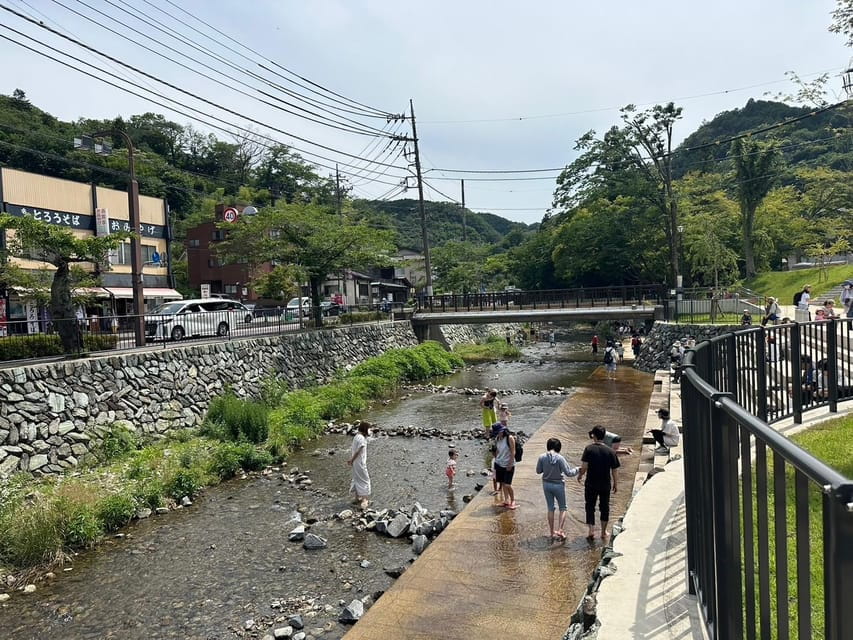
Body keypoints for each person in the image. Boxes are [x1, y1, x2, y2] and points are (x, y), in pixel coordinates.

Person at [577, 425, 620, 541]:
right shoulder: (611, 451)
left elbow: (584, 466)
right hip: (605, 484)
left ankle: (591, 530)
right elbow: (614, 470)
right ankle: (603, 532)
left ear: (594, 436)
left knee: (590, 506)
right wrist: (616, 484)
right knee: (604, 507)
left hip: (591, 483)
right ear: (604, 436)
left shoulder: (588, 449)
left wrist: (580, 475)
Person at [535, 437, 579, 542]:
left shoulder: (542, 457)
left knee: (550, 508)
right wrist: (578, 469)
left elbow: (538, 471)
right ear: (558, 448)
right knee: (563, 508)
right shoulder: (560, 458)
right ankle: (560, 530)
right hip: (558, 485)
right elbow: (569, 473)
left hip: (546, 484)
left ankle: (551, 532)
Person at [347, 422, 371, 510]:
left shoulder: (357, 436)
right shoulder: (361, 438)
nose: (370, 430)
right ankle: (364, 500)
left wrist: (352, 461)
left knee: (357, 478)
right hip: (360, 463)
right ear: (365, 429)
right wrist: (351, 460)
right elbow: (358, 451)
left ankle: (357, 498)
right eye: (368, 428)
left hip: (356, 463)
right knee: (365, 480)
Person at [493, 426, 517, 509]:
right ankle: (506, 500)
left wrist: (510, 464)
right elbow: (497, 450)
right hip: (499, 463)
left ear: (503, 431)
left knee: (507, 484)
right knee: (502, 483)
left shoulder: (509, 438)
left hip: (508, 464)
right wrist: (496, 459)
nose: (498, 434)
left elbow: (513, 451)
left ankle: (513, 500)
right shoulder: (497, 439)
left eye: (499, 432)